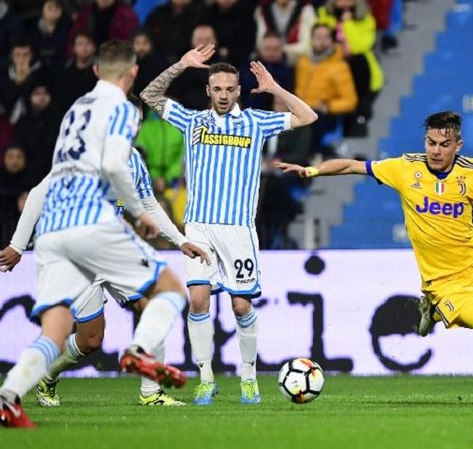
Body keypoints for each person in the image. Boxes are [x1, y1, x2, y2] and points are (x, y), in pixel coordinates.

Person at [276, 111, 473, 405]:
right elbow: (350, 165)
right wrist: (312, 170)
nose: (436, 150)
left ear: (458, 145)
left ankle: (429, 307)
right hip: (447, 284)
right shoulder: (405, 168)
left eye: (444, 144)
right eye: (431, 142)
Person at [0, 40, 189, 428]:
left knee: (58, 333)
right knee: (169, 289)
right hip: (93, 225)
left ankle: (9, 396)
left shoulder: (75, 112)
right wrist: (138, 212)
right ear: (133, 72)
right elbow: (113, 166)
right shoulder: (119, 108)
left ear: (95, 69)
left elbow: (44, 189)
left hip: (53, 235)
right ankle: (139, 352)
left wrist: (20, 245)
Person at [140, 44, 318, 405]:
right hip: (199, 226)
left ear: (238, 91)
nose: (223, 95)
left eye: (229, 89)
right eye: (216, 89)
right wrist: (181, 63)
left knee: (240, 306)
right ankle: (206, 378)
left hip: (238, 229)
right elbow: (149, 94)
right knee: (199, 301)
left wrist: (275, 89)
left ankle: (249, 377)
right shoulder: (193, 121)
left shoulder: (255, 121)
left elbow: (308, 116)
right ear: (208, 90)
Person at [2, 144, 208, 408]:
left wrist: (180, 240)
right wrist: (18, 245)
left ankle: (151, 393)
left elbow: (150, 206)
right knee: (91, 340)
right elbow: (38, 194)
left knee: (154, 305)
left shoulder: (134, 159)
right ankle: (46, 376)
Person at [295, 24, 358, 154]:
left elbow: (351, 100)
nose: (322, 42)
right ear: (311, 39)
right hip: (300, 108)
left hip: (324, 113)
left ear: (332, 40)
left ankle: (309, 156)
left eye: (326, 37)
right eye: (318, 37)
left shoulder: (339, 66)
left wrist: (328, 106)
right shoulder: (303, 62)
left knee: (312, 121)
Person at [253, 0, 316, 66]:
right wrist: (272, 50)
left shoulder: (305, 9)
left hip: (297, 59)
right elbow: (260, 40)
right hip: (268, 58)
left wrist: (281, 50)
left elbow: (307, 45)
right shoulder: (263, 9)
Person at [67, 0, 138, 52]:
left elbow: (130, 42)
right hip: (89, 57)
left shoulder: (127, 15)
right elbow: (73, 38)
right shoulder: (85, 14)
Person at [145, 0, 205, 64]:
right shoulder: (158, 13)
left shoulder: (201, 15)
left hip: (190, 62)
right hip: (159, 60)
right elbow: (148, 35)